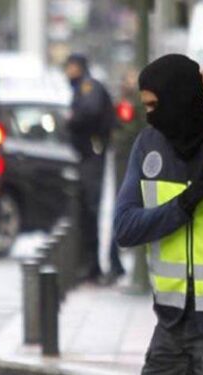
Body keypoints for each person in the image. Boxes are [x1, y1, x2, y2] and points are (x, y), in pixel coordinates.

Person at [114, 54, 203, 374]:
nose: (149, 116)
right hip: (170, 324)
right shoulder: (148, 145)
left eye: (155, 106)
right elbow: (125, 228)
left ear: (179, 98)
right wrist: (184, 205)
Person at [64, 53, 124, 283]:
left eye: (69, 67)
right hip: (90, 155)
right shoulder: (84, 87)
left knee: (93, 209)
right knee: (90, 210)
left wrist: (72, 118)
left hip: (93, 155)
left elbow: (90, 112)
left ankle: (97, 265)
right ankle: (95, 264)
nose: (67, 72)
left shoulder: (89, 87)